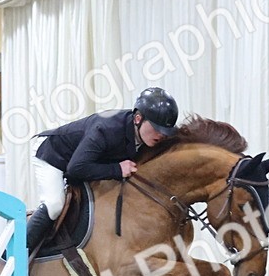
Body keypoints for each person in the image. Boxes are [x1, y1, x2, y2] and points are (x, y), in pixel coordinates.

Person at [27, 86, 180, 251]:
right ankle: (19, 252)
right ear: (138, 118)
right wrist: (117, 169)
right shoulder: (106, 129)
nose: (162, 135)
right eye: (157, 128)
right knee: (54, 204)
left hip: (83, 161)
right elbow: (76, 168)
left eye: (166, 131)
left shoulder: (146, 135)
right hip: (53, 154)